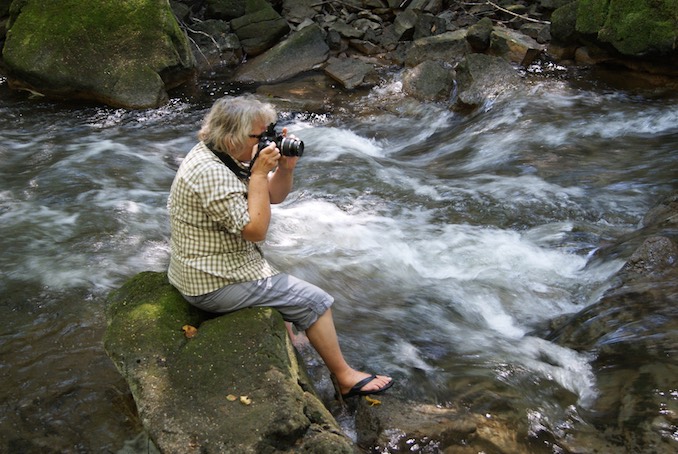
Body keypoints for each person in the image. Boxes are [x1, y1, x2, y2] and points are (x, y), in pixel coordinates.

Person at [167, 95, 393, 400]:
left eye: (268, 133)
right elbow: (256, 230)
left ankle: (296, 341)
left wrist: (285, 169)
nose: (266, 142)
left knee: (285, 295)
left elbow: (270, 197)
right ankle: (345, 377)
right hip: (213, 282)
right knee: (316, 302)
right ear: (232, 136)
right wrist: (260, 173)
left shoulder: (220, 154)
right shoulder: (210, 174)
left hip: (215, 265)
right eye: (259, 136)